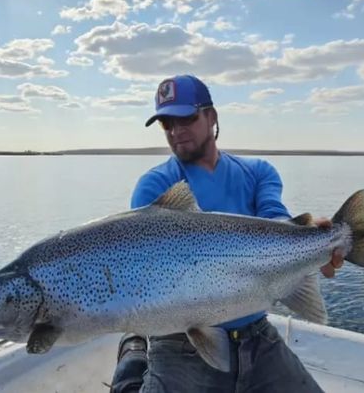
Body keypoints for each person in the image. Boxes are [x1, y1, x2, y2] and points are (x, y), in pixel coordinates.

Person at [110, 74, 344, 393]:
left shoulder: (258, 172)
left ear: (212, 117)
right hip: (181, 344)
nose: (176, 132)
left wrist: (309, 239)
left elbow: (274, 218)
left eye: (186, 118)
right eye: (167, 124)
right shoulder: (154, 187)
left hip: (256, 334)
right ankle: (133, 363)